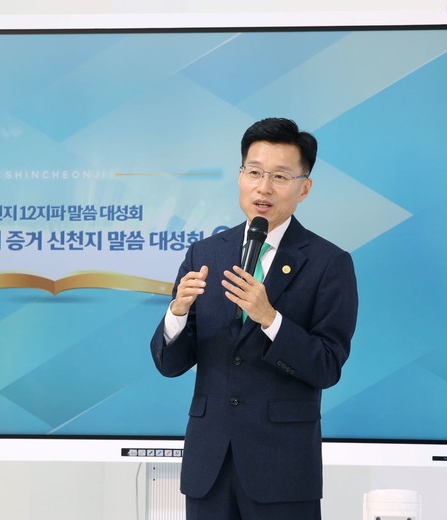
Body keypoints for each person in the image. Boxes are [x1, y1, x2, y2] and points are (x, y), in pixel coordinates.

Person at [150, 117, 359, 520]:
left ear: (304, 188)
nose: (264, 187)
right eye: (255, 172)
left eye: (280, 176)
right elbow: (169, 364)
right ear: (240, 176)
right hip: (209, 465)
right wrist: (177, 314)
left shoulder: (329, 263)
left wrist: (270, 319)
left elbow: (327, 366)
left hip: (282, 468)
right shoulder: (205, 254)